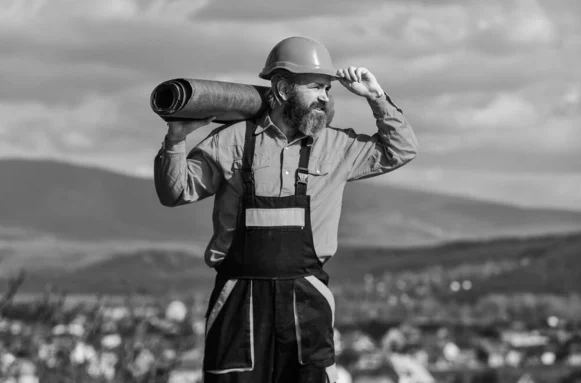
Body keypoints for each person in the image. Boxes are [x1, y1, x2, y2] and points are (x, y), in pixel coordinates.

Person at [153, 36, 418, 383]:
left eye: (328, 88)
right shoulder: (232, 140)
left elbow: (401, 149)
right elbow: (175, 192)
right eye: (316, 87)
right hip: (238, 300)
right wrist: (175, 138)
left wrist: (377, 97)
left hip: (307, 299)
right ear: (281, 88)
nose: (325, 97)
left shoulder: (337, 146)